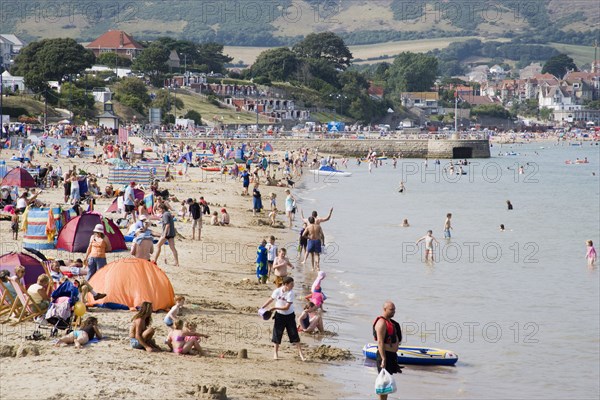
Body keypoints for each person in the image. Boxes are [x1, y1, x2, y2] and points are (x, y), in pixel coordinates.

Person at [260, 276, 305, 361]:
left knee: (294, 334)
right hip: (279, 316)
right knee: (277, 334)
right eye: (291, 284)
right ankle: (275, 353)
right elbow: (271, 299)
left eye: (293, 283)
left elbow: (287, 307)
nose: (293, 285)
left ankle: (301, 354)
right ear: (286, 284)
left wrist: (275, 308)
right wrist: (262, 307)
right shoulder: (277, 291)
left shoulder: (291, 293)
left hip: (289, 316)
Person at [373, 301, 402, 400]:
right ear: (384, 309)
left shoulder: (391, 322)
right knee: (383, 383)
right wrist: (383, 359)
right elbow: (380, 342)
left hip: (391, 356)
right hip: (384, 355)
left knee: (387, 383)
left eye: (394, 309)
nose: (394, 311)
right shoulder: (381, 323)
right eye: (391, 309)